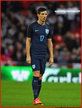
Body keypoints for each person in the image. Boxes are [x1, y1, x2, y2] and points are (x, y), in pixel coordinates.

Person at [26, 7, 53, 105]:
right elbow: (28, 41)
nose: (44, 16)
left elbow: (50, 43)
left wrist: (51, 56)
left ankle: (36, 98)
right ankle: (35, 98)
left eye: (45, 14)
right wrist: (28, 55)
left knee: (40, 77)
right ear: (38, 15)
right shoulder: (32, 26)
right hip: (34, 55)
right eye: (42, 14)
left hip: (43, 55)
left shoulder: (48, 28)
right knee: (36, 74)